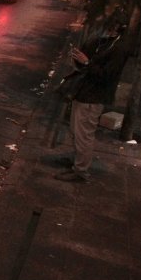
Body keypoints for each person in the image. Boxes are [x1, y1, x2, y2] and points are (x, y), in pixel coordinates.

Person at [54, 17, 128, 182]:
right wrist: (79, 58)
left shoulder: (118, 49)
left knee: (83, 136)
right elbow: (88, 60)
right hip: (83, 93)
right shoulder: (105, 42)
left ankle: (81, 171)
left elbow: (106, 76)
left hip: (92, 98)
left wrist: (87, 62)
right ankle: (77, 161)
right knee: (75, 131)